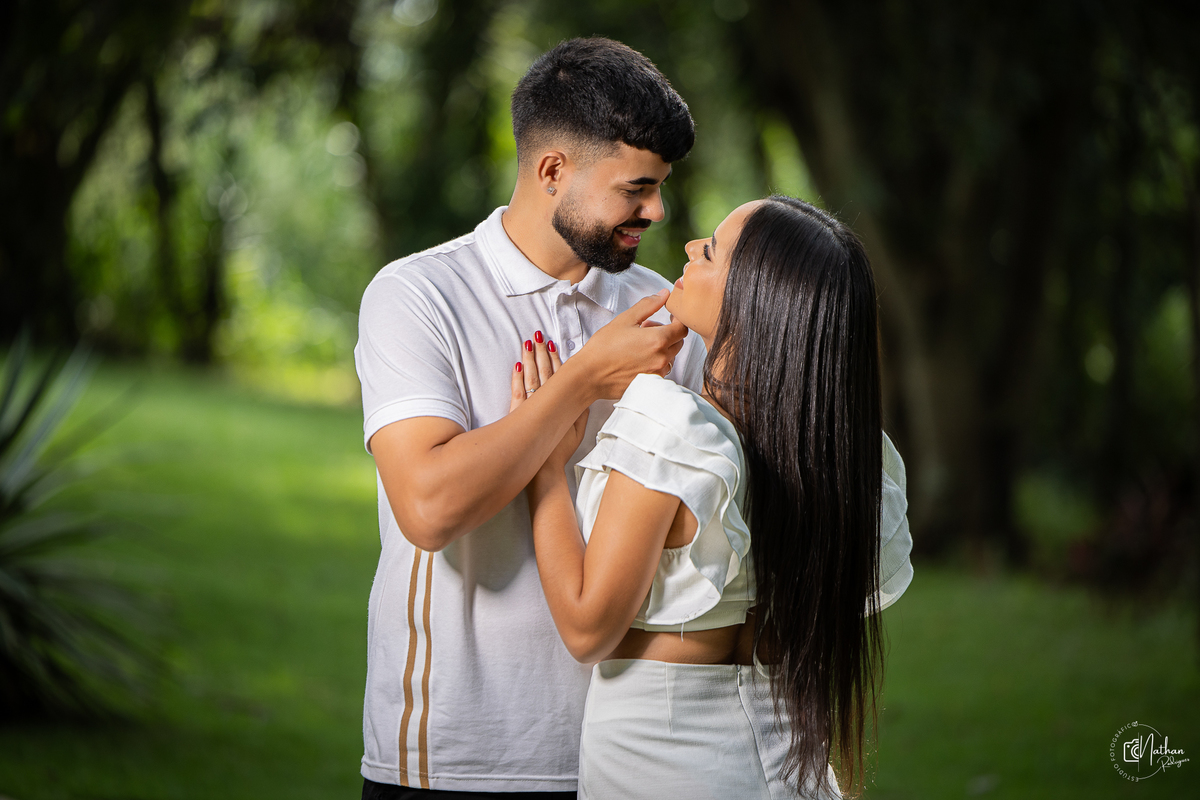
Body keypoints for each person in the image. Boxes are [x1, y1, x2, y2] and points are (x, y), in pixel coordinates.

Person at [354, 38, 708, 798]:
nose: (655, 211)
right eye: (637, 188)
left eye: (660, 188)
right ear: (553, 172)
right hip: (454, 755)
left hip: (625, 756)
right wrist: (581, 381)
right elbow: (429, 509)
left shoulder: (667, 315)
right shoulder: (418, 296)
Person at [515, 196, 914, 798]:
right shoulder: (842, 452)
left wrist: (545, 471)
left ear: (753, 299)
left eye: (710, 251)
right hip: (792, 769)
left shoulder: (673, 427)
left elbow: (586, 630)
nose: (687, 248)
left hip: (671, 770)